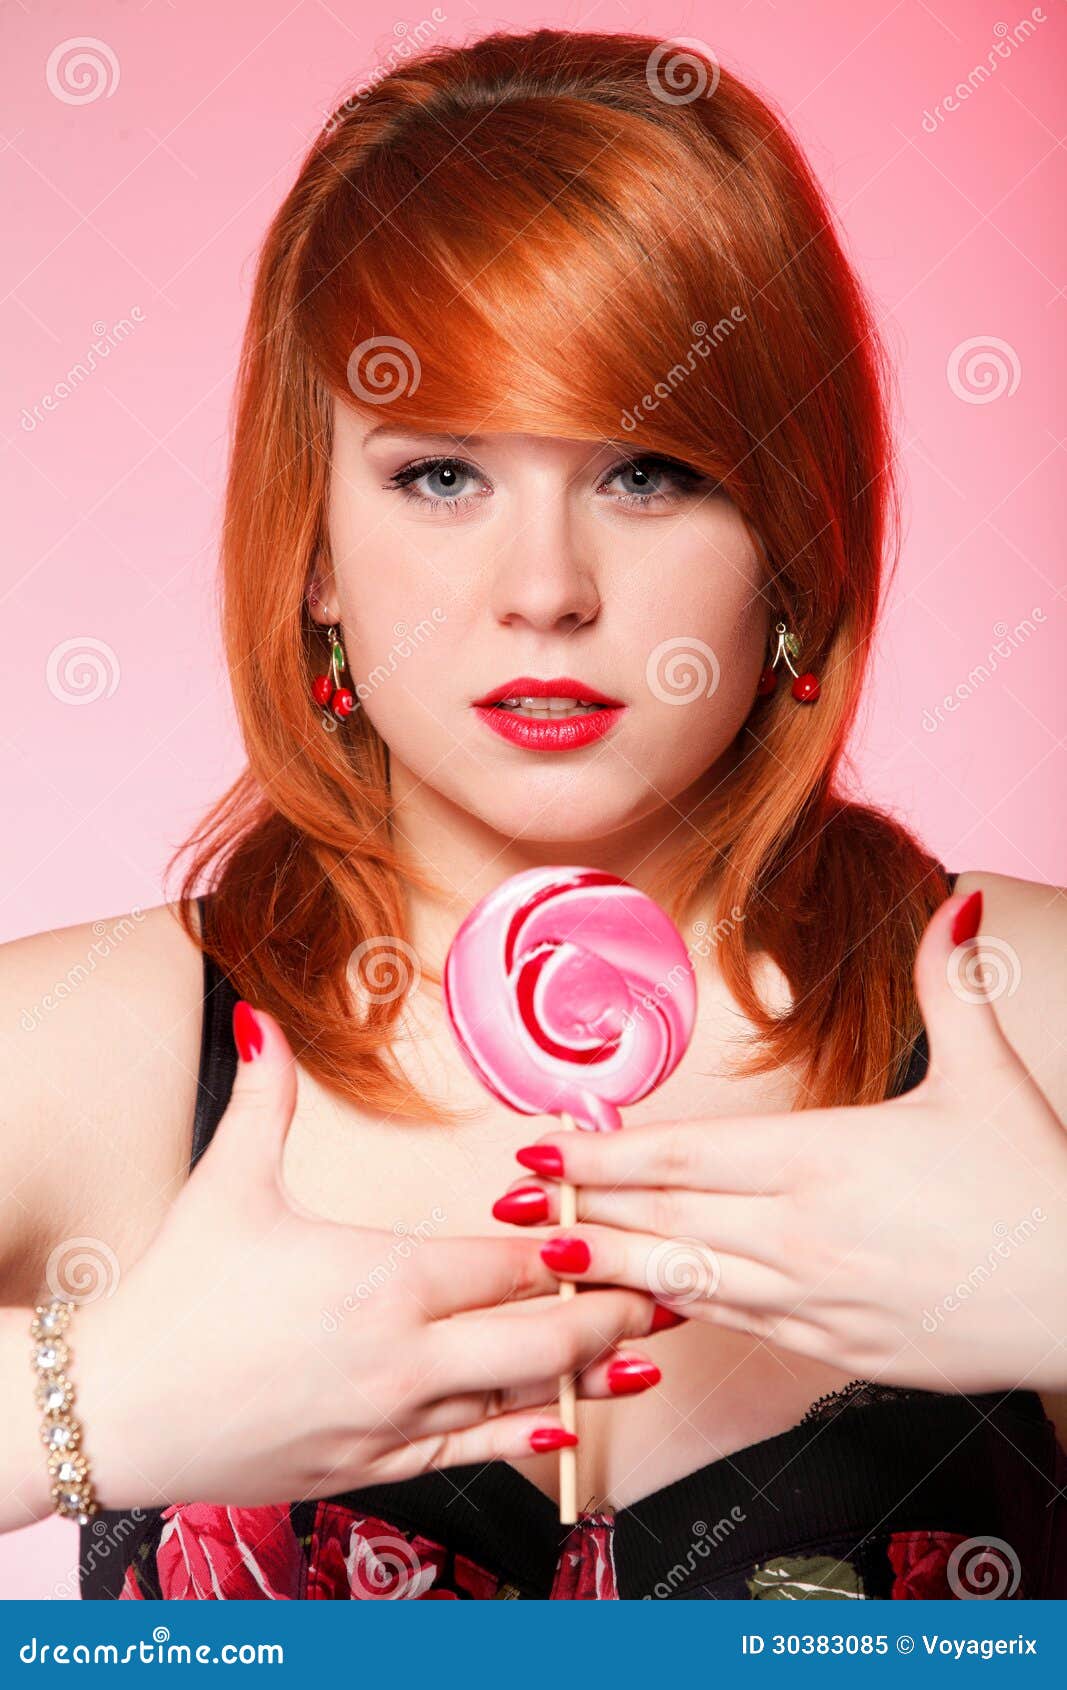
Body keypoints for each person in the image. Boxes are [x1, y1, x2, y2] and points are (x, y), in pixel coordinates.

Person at [1, 26, 1064, 1602]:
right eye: (440, 475)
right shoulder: (97, 1048)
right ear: (313, 546)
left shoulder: (1018, 1007)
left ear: (789, 527)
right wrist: (89, 1403)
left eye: (649, 470)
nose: (547, 592)